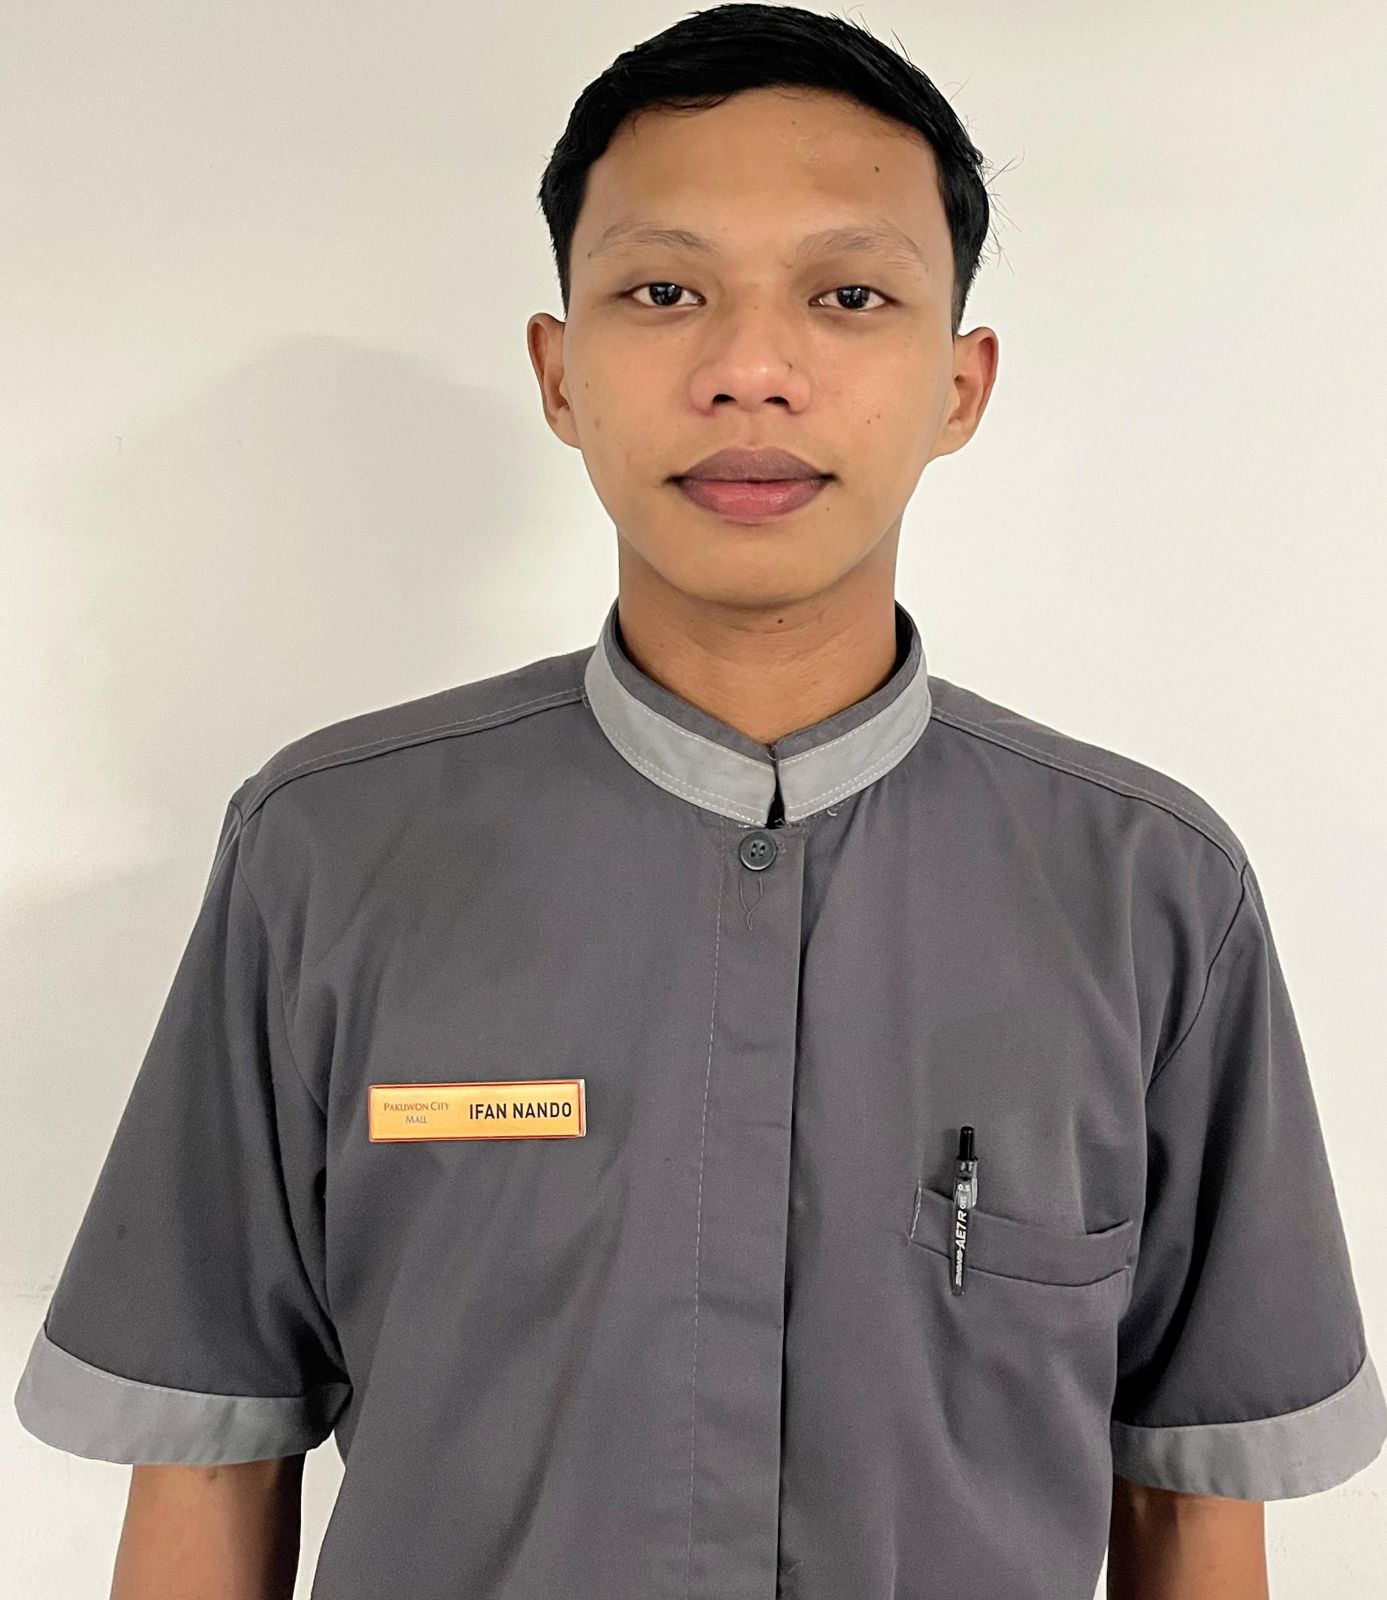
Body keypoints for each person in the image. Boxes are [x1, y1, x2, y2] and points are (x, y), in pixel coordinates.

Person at [15, 6, 1385, 1598]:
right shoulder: (326, 851)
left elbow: (1192, 1502)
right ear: (559, 371)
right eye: (664, 293)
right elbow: (211, 1458)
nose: (749, 371)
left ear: (959, 385)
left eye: (848, 295)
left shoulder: (1151, 892)